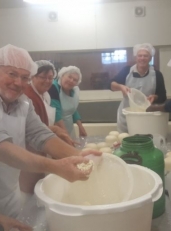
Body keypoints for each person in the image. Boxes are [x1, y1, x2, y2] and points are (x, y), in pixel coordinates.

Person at [0, 44, 100, 230]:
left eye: (24, 77)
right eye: (12, 74)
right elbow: (3, 149)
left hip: (8, 192)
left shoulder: (23, 103)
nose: (18, 82)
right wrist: (55, 167)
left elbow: (41, 135)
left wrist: (80, 157)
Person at [19, 60, 75, 198]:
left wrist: (54, 130)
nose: (47, 81)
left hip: (40, 149)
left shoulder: (44, 95)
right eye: (43, 77)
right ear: (33, 76)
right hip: (29, 153)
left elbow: (37, 128)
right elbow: (30, 133)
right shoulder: (28, 97)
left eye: (50, 77)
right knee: (28, 193)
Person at [108, 43, 167, 132]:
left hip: (147, 116)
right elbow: (110, 84)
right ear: (136, 57)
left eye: (145, 56)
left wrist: (155, 97)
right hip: (127, 116)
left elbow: (163, 96)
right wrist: (120, 87)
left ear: (150, 58)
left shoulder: (157, 75)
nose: (142, 58)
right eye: (140, 56)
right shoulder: (127, 71)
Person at [48, 66, 87, 139]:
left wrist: (80, 126)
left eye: (75, 80)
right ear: (62, 75)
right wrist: (66, 135)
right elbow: (56, 114)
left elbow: (72, 109)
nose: (71, 81)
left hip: (69, 127)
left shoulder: (73, 90)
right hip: (57, 129)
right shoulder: (53, 88)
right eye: (69, 77)